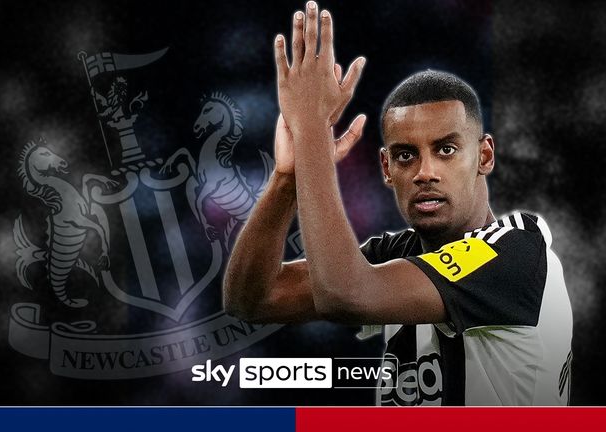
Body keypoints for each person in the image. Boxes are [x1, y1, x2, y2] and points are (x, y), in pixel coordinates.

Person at [223, 1, 573, 406]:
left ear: (484, 156)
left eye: (446, 150)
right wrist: (289, 177)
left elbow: (345, 293)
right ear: (387, 168)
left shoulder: (515, 252)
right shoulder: (400, 255)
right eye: (406, 155)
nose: (425, 172)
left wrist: (312, 132)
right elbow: (253, 299)